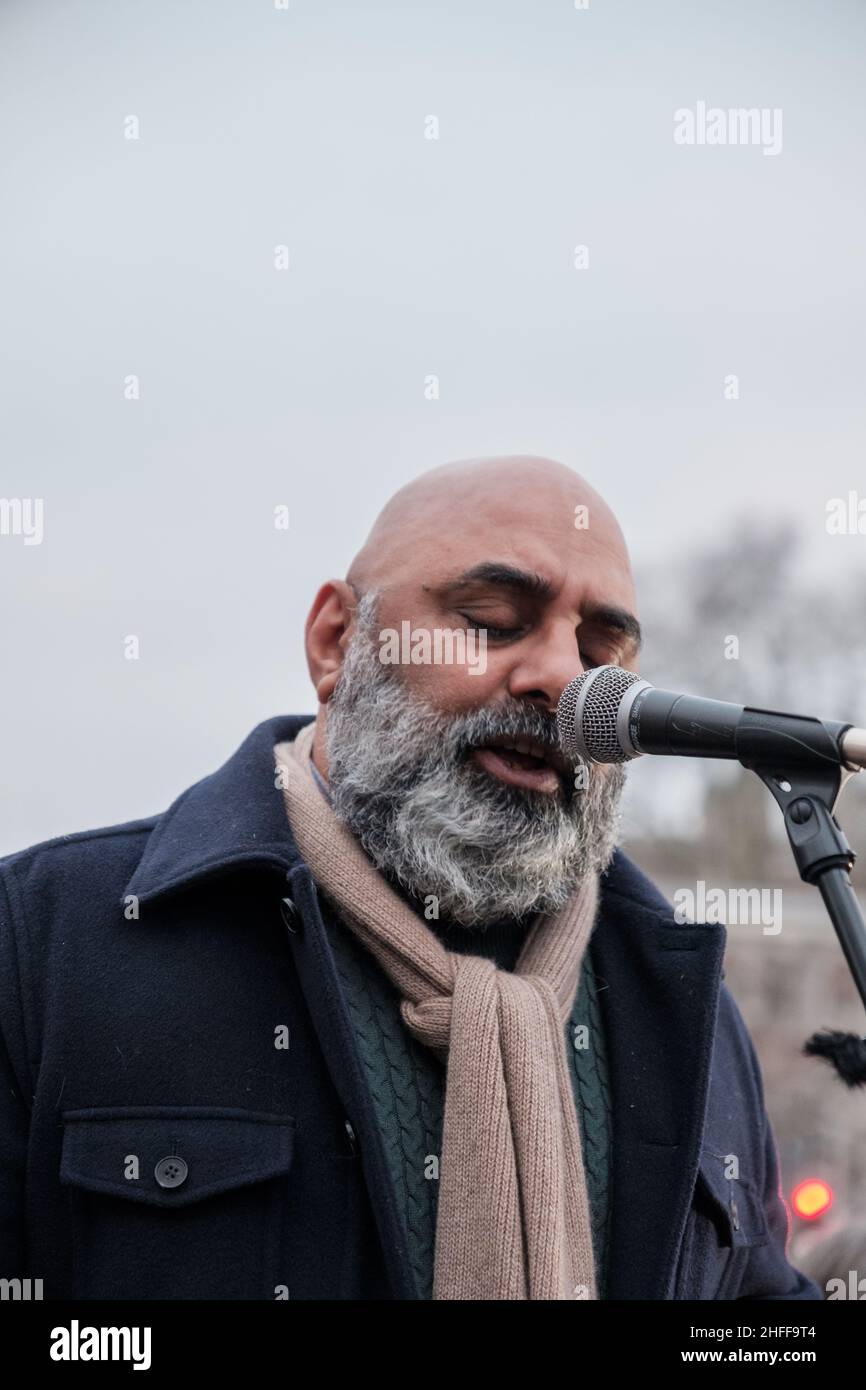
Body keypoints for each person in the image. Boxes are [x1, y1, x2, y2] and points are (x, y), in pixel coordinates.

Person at [0, 455, 821, 1300]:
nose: (563, 680)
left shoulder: (686, 1004)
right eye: (493, 620)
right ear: (335, 642)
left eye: (601, 653)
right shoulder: (44, 946)